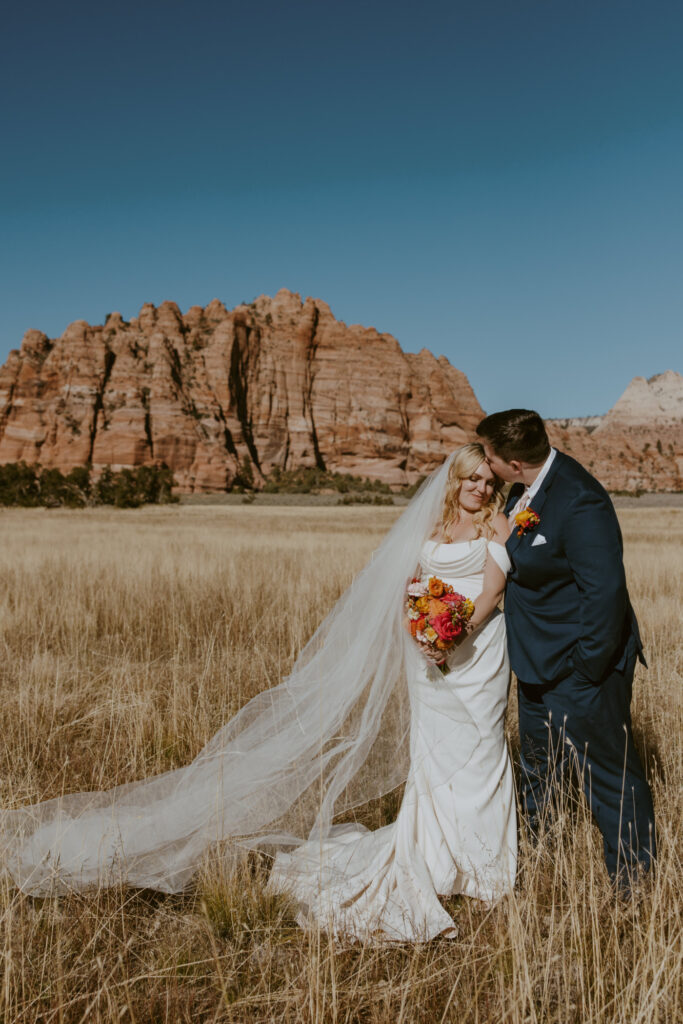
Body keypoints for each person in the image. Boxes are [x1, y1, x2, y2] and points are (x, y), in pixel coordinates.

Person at [1, 444, 516, 942]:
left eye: (487, 481)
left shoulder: (496, 522)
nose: (479, 487)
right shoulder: (432, 522)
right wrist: (422, 631)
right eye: (471, 478)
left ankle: (483, 868)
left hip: (478, 651)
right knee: (435, 753)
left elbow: (492, 590)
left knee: (482, 752)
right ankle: (437, 856)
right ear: (455, 479)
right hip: (430, 653)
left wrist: (453, 636)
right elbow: (404, 583)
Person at [476, 409, 656, 890]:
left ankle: (634, 885)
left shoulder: (580, 499)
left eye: (489, 457)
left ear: (514, 462)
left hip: (581, 668)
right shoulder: (523, 492)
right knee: (539, 771)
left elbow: (604, 594)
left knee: (609, 777)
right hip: (536, 664)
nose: (485, 464)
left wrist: (585, 669)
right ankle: (539, 866)